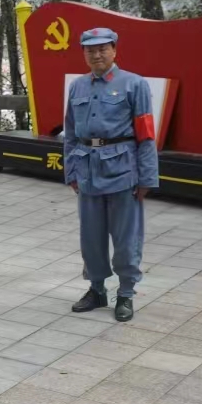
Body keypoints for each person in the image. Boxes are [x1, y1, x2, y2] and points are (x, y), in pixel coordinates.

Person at [65, 27, 159, 323]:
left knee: (126, 238)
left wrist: (147, 178)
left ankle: (126, 293)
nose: (96, 55)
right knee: (90, 237)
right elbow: (70, 133)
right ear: (84, 53)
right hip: (87, 170)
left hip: (122, 172)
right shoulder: (78, 87)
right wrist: (71, 171)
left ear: (114, 50)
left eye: (102, 49)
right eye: (90, 50)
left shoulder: (134, 84)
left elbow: (146, 135)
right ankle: (96, 290)